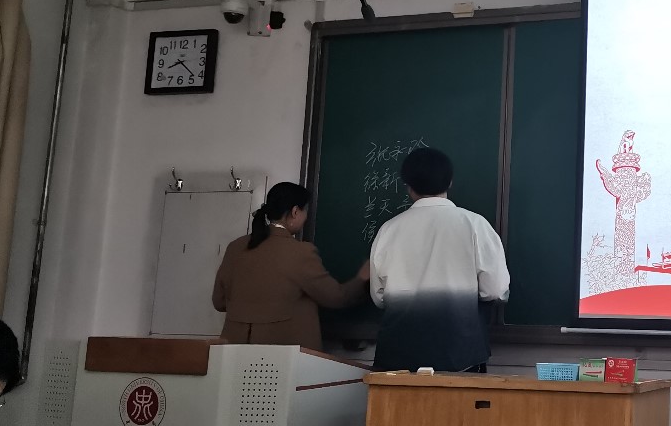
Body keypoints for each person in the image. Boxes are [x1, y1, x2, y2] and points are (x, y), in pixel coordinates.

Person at [368, 147, 510, 372]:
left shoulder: (389, 230)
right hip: (461, 353)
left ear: (408, 187)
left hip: (398, 355)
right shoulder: (475, 225)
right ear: (450, 182)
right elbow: (495, 289)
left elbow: (379, 297)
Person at [213, 182, 365, 351]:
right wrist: (363, 277)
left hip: (233, 353)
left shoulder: (235, 247)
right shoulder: (300, 252)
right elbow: (336, 297)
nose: (306, 217)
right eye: (305, 211)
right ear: (295, 212)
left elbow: (218, 301)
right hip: (283, 356)